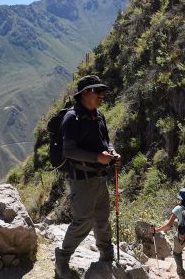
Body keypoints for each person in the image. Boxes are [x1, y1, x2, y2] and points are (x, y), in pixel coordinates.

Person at [54, 75, 122, 278]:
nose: (102, 95)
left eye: (102, 91)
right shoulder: (72, 118)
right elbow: (68, 150)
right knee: (83, 221)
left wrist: (113, 154)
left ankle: (106, 256)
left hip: (100, 178)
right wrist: (96, 157)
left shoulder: (99, 116)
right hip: (82, 180)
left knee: (102, 218)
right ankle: (62, 258)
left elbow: (106, 142)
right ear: (85, 93)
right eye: (97, 91)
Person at [152, 188, 185, 279]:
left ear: (180, 199)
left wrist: (156, 230)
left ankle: (181, 275)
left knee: (177, 254)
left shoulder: (178, 209)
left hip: (181, 238)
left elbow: (168, 225)